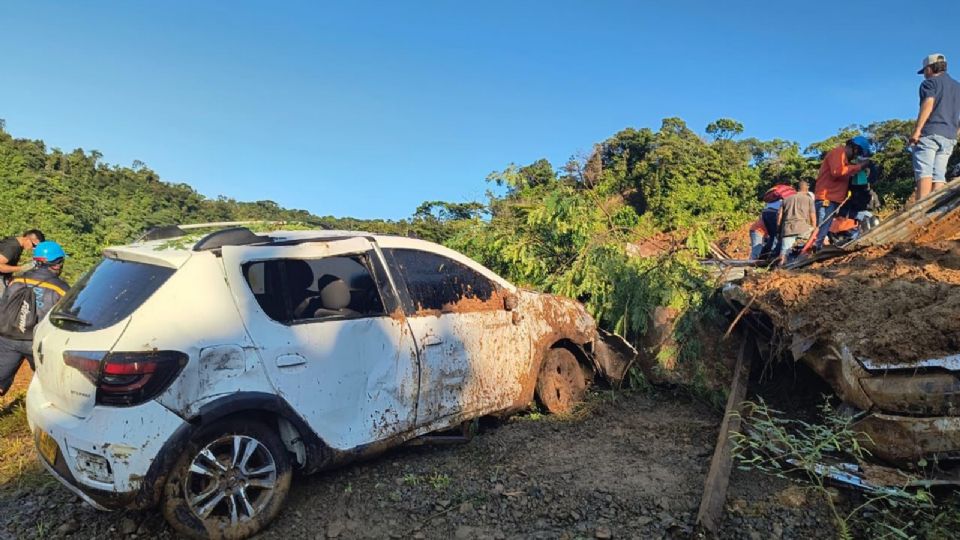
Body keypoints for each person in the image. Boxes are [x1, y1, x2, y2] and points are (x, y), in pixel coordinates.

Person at [0, 241, 69, 400]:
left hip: (7, 337)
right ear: (57, 264)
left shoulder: (15, 282)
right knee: (49, 382)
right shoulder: (61, 288)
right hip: (37, 343)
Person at [910, 53, 960, 201]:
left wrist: (918, 130)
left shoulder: (930, 83)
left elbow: (928, 103)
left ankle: (920, 209)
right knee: (939, 174)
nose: (924, 75)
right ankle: (935, 208)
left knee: (924, 172)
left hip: (930, 132)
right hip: (949, 136)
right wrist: (956, 132)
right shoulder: (957, 87)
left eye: (925, 71)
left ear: (930, 69)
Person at [813, 137, 872, 249]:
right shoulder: (838, 153)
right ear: (854, 147)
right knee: (821, 232)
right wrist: (860, 166)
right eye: (857, 153)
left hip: (835, 201)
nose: (855, 157)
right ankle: (812, 254)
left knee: (825, 230)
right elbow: (837, 172)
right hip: (827, 200)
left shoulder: (845, 161)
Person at [777, 180, 817, 264]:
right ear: (806, 189)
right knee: (803, 254)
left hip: (788, 229)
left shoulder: (786, 200)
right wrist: (813, 230)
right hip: (804, 230)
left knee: (784, 254)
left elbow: (779, 216)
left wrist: (779, 230)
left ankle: (781, 269)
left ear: (796, 189)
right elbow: (813, 217)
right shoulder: (809, 199)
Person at [0, 230, 45, 295]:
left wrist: (9, 277)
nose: (33, 248)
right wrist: (22, 268)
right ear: (27, 239)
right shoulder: (13, 247)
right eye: (34, 245)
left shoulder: (15, 242)